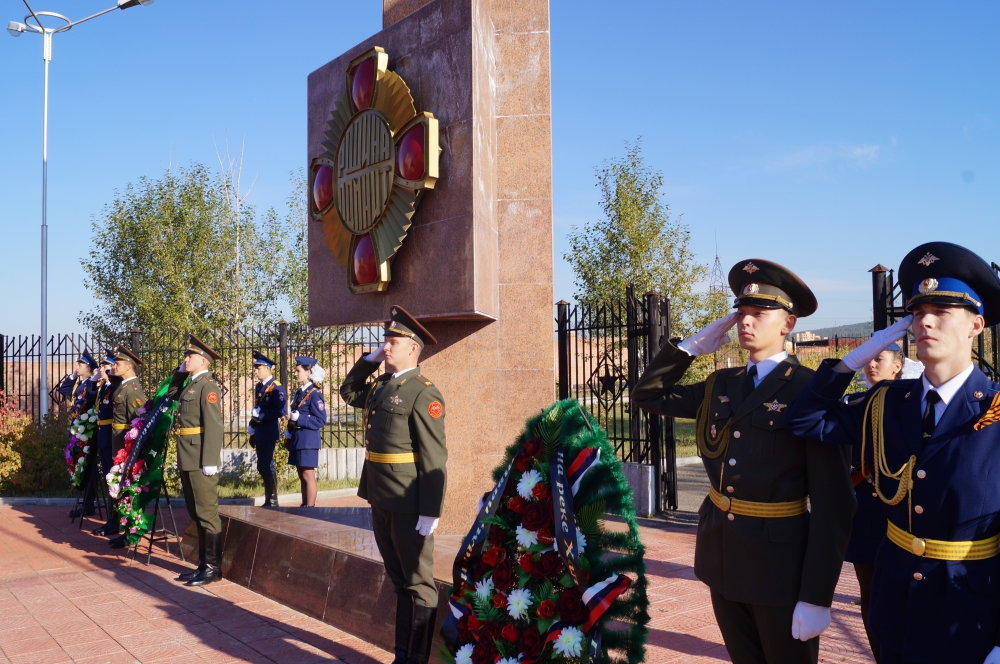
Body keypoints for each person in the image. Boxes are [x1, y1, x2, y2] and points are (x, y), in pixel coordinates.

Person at [786, 242, 1000, 664]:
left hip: (969, 611)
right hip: (895, 599)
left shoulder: (994, 410)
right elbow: (804, 421)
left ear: (976, 325)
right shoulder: (886, 403)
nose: (926, 323)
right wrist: (849, 363)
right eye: (918, 313)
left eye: (941, 312)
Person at [631, 259, 854, 664]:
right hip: (723, 558)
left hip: (780, 569)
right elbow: (646, 396)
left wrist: (816, 597)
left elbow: (834, 506)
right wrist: (691, 348)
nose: (745, 322)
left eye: (759, 314)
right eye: (741, 314)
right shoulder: (722, 384)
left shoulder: (810, 391)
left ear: (787, 324)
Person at [340, 305, 447, 664]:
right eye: (385, 340)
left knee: (418, 583)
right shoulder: (383, 386)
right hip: (380, 496)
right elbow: (348, 390)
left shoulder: (423, 392)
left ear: (414, 347)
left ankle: (415, 659)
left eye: (394, 341)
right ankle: (403, 657)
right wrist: (369, 360)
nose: (386, 346)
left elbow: (434, 458)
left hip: (408, 500)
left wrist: (430, 511)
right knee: (400, 580)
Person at [839, 341, 908, 663]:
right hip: (866, 513)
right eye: (868, 360)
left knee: (906, 594)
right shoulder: (853, 404)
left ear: (898, 365)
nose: (871, 365)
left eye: (879, 359)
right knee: (870, 595)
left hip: (905, 514)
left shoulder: (915, 405)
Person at [171, 334, 225, 586]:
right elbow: (171, 395)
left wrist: (210, 459)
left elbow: (214, 426)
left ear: (203, 361)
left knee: (207, 513)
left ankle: (213, 567)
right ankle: (203, 564)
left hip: (201, 456)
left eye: (189, 356)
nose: (186, 358)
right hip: (188, 455)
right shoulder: (190, 384)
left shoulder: (207, 387)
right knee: (196, 512)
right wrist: (179, 373)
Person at [107, 345, 148, 549]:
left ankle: (130, 532)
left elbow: (138, 422)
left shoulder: (133, 391)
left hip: (126, 445)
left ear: (130, 367)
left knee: (127, 489)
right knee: (120, 488)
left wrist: (131, 451)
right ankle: (122, 527)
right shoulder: (123, 386)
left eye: (118, 363)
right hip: (118, 442)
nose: (114, 366)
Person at [63, 350, 102, 519]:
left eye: (80, 365)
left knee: (88, 465)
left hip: (87, 430)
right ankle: (85, 501)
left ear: (89, 368)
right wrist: (72, 375)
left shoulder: (91, 383)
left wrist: (93, 379)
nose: (77, 366)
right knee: (81, 465)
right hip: (78, 428)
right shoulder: (81, 383)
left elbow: (91, 401)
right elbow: (64, 390)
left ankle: (88, 503)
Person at [285, 356, 327, 507]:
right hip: (298, 438)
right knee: (301, 474)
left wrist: (300, 419)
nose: (295, 374)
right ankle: (304, 505)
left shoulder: (314, 394)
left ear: (308, 372)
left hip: (308, 441)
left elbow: (321, 420)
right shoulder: (299, 393)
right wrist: (290, 429)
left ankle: (310, 508)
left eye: (298, 371)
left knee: (308, 475)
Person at [247, 351, 286, 508]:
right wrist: (253, 423)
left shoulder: (276, 387)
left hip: (269, 430)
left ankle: (273, 500)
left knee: (266, 465)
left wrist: (261, 415)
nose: (256, 371)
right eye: (256, 368)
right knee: (261, 465)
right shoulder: (260, 386)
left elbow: (281, 411)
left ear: (268, 368)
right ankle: (268, 498)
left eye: (258, 368)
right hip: (261, 430)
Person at [92, 350, 121, 537]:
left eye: (106, 367)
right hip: (103, 436)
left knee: (114, 480)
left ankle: (114, 521)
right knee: (108, 479)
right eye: (102, 367)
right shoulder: (105, 387)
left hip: (111, 438)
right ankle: (111, 520)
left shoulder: (115, 388)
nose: (102, 370)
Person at [58, 349, 99, 417]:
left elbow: (90, 398)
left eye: (79, 366)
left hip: (85, 421)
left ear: (88, 369)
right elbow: (64, 390)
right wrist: (72, 377)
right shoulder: (80, 384)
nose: (77, 368)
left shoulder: (92, 384)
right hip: (77, 419)